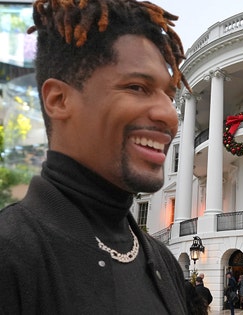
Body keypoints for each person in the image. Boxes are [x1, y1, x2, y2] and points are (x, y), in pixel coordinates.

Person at [0, 0, 191, 314]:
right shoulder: (11, 254)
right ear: (59, 100)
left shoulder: (164, 263)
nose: (168, 114)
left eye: (169, 96)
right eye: (137, 87)